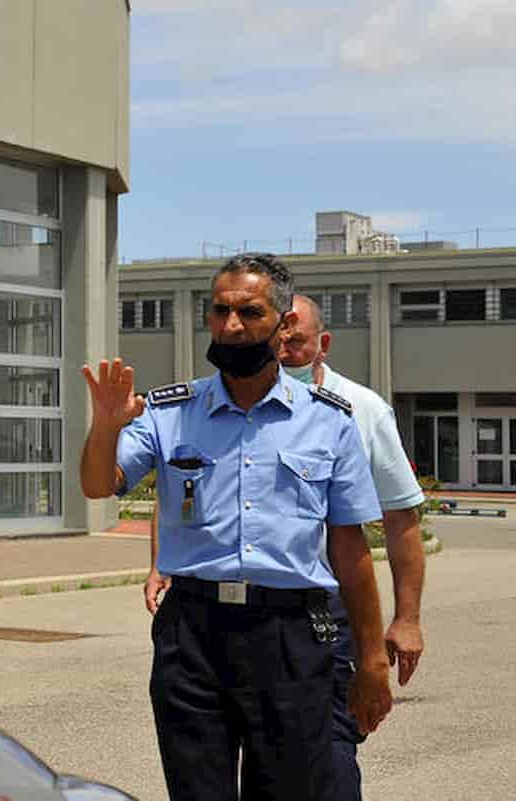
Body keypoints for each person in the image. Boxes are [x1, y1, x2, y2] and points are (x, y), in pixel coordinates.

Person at [81, 253, 392, 801]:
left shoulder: (328, 420)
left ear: (283, 323)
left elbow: (350, 549)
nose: (231, 325)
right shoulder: (168, 411)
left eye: (248, 312)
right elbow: (98, 482)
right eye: (220, 311)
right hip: (193, 635)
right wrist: (105, 425)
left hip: (290, 637)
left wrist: (370, 659)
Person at [279, 293, 426, 800]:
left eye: (295, 341)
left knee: (330, 755)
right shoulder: (241, 406)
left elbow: (402, 520)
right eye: (275, 339)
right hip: (257, 615)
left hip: (330, 611)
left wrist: (406, 619)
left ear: (323, 344)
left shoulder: (363, 411)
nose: (282, 350)